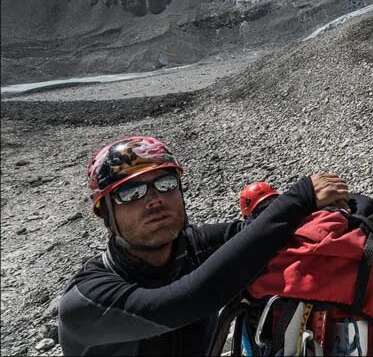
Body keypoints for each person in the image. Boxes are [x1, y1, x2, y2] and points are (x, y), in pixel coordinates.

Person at [57, 135, 349, 356]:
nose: (154, 199)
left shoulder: (192, 245)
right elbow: (183, 301)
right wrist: (296, 199)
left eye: (165, 184)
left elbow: (252, 234)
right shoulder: (86, 301)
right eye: (131, 193)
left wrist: (337, 212)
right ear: (105, 213)